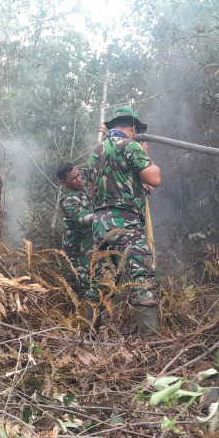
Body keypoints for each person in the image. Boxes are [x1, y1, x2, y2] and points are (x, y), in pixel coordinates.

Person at [87, 106, 162, 335]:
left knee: (101, 278)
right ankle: (150, 338)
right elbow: (155, 178)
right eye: (136, 129)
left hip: (101, 224)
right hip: (126, 223)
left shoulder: (96, 151)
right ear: (131, 127)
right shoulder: (131, 146)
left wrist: (136, 184)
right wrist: (146, 155)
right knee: (142, 275)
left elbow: (93, 191)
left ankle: (90, 334)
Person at [56, 163, 95, 299]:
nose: (79, 179)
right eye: (74, 178)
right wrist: (103, 217)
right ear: (64, 182)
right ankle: (87, 315)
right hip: (79, 249)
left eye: (79, 175)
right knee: (86, 286)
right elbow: (82, 218)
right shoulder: (67, 200)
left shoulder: (78, 177)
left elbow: (94, 169)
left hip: (92, 242)